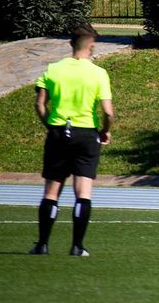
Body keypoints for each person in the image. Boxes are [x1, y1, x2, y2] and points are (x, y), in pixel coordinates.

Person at [31, 23, 115, 257]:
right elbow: (108, 112)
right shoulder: (98, 73)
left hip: (59, 131)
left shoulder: (53, 69)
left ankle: (42, 245)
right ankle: (77, 246)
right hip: (86, 133)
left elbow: (40, 103)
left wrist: (51, 124)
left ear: (70, 44)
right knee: (83, 192)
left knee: (51, 191)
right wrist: (105, 131)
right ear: (92, 45)